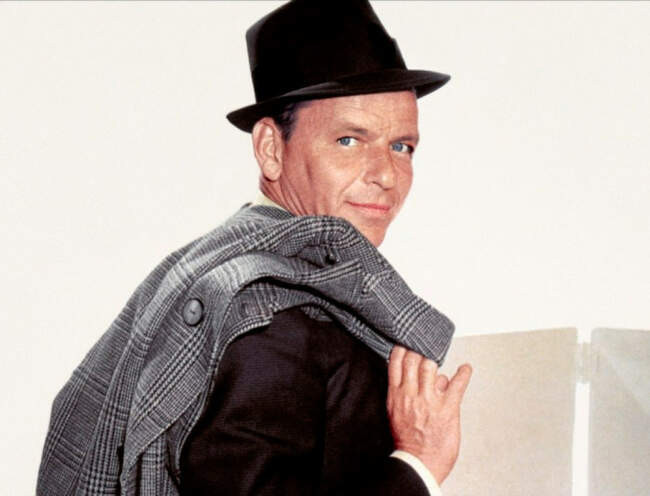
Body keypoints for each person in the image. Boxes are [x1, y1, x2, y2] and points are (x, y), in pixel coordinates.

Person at [37, 1, 471, 495]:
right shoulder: (274, 321)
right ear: (270, 149)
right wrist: (418, 464)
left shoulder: (219, 267)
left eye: (401, 146)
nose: (387, 175)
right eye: (349, 140)